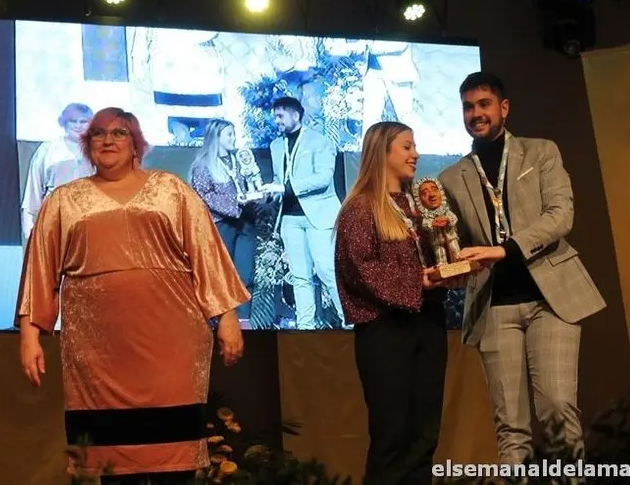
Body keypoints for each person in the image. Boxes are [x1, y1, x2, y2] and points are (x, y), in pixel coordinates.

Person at [16, 107, 250, 485]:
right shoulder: (63, 200)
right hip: (98, 352)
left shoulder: (171, 190)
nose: (108, 140)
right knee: (111, 465)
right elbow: (40, 269)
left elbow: (208, 253)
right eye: (98, 133)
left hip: (170, 344)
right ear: (87, 144)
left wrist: (227, 318)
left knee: (174, 463)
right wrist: (30, 335)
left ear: (136, 143)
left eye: (119, 133)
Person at [438, 72, 606, 464]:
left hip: (551, 299)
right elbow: (456, 244)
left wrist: (505, 250)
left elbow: (560, 215)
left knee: (558, 408)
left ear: (504, 108)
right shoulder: (451, 178)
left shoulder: (540, 152)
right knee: (511, 428)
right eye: (468, 107)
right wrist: (447, 256)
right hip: (494, 306)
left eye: (484, 104)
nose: (476, 113)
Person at [334, 121, 456, 484]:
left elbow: (437, 253)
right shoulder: (360, 208)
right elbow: (359, 268)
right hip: (385, 329)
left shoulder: (420, 206)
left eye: (414, 146)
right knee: (392, 435)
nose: (415, 154)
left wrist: (453, 265)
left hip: (428, 322)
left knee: (425, 433)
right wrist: (417, 281)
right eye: (407, 146)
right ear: (382, 152)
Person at [269, 96, 346, 329]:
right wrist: (270, 192)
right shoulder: (275, 146)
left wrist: (287, 187)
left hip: (318, 216)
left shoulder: (320, 141)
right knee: (300, 275)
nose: (277, 121)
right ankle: (305, 327)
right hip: (289, 219)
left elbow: (324, 178)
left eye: (280, 116)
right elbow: (279, 179)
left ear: (296, 115)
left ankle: (350, 321)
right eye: (275, 116)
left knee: (326, 270)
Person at [190, 119, 259, 321]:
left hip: (245, 223)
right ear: (216, 137)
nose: (234, 138)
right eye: (229, 134)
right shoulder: (203, 165)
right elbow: (204, 195)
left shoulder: (238, 160)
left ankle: (244, 322)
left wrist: (257, 191)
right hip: (221, 225)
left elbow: (247, 186)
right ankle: (220, 323)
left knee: (245, 274)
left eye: (234, 134)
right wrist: (234, 202)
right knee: (221, 276)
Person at [21, 103, 94, 241]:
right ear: (64, 122)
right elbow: (33, 190)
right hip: (54, 220)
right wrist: (29, 228)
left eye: (83, 121)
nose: (77, 126)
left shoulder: (99, 150)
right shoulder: (48, 150)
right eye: (73, 121)